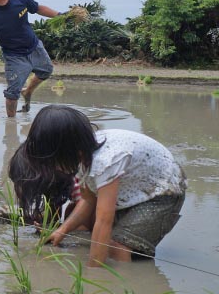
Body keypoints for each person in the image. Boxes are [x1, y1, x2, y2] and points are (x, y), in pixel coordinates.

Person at [11, 105, 186, 266]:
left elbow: (104, 221)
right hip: (137, 188)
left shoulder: (104, 163)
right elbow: (88, 201)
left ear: (63, 150)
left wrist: (93, 271)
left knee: (117, 244)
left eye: (50, 158)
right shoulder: (82, 156)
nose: (49, 165)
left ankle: (124, 286)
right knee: (105, 234)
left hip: (163, 192)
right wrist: (62, 230)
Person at [0, 0, 62, 117]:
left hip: (34, 47)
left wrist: (59, 15)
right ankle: (11, 124)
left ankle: (28, 91)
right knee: (12, 94)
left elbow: (38, 8)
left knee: (46, 70)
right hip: (14, 56)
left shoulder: (21, 0)